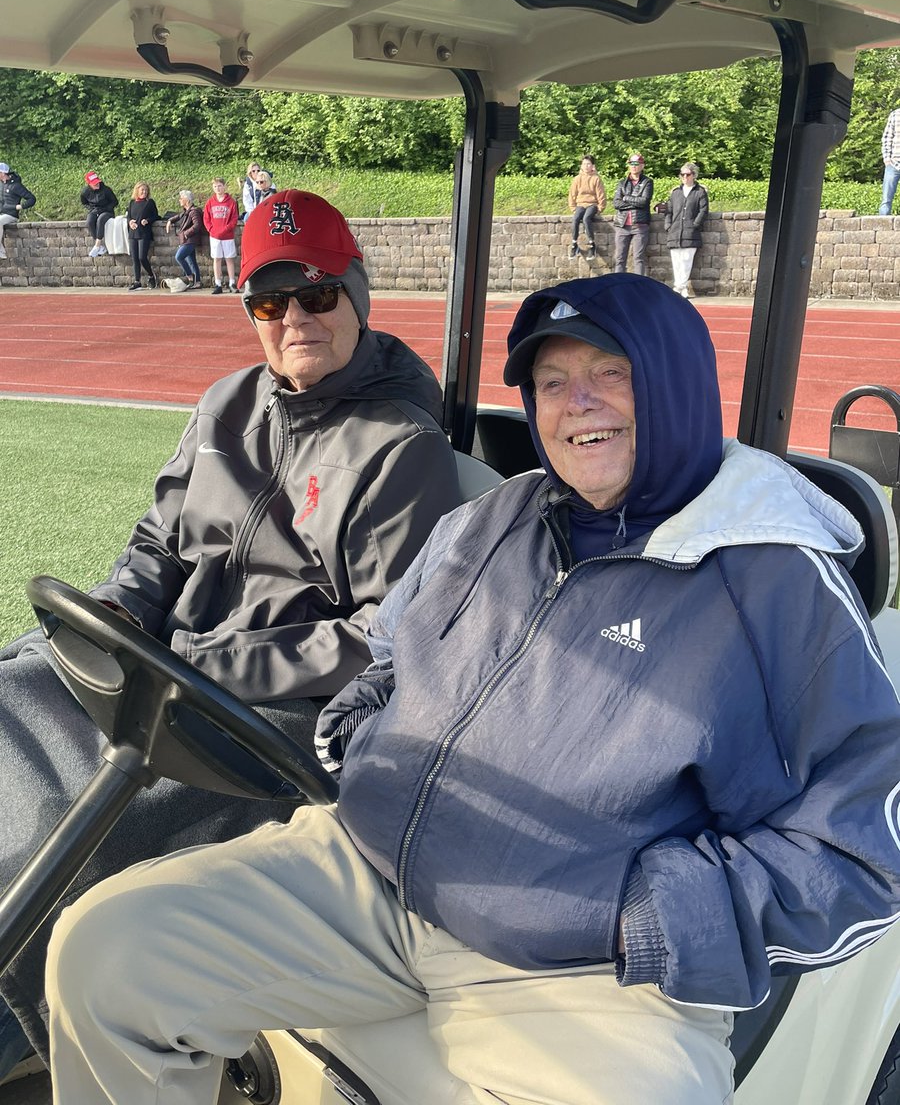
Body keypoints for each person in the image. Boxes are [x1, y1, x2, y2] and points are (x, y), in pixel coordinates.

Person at [45, 273, 900, 1105]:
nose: (578, 403)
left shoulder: (776, 582)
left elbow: (860, 847)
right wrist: (360, 737)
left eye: (611, 373)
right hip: (369, 877)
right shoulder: (497, 518)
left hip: (579, 968)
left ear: (674, 386)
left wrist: (641, 915)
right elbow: (386, 650)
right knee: (104, 956)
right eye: (554, 382)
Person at [0, 188, 461, 1078]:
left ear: (357, 295)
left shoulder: (402, 449)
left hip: (278, 719)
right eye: (269, 300)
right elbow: (155, 543)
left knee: (68, 836)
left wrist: (209, 661)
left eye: (318, 294)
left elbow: (380, 640)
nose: (295, 319)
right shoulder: (227, 404)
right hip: (165, 669)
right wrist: (124, 614)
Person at [664, 162, 709, 296]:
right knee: (676, 261)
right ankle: (680, 287)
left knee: (686, 261)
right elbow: (669, 210)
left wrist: (695, 224)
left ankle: (680, 286)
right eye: (682, 174)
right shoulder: (675, 192)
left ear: (693, 175)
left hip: (690, 231)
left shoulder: (700, 191)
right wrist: (668, 225)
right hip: (675, 231)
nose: (684, 177)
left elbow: (703, 210)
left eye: (687, 174)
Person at [612, 152, 653, 276]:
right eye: (632, 164)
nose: (634, 166)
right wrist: (634, 201)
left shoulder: (647, 182)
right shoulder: (622, 183)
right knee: (619, 258)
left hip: (639, 226)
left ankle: (638, 286)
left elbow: (644, 201)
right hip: (622, 225)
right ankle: (618, 285)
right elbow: (616, 203)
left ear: (642, 166)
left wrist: (626, 198)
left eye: (637, 164)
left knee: (638, 258)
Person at [203, 177, 239, 293]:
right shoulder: (210, 202)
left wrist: (226, 229)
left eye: (219, 186)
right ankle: (218, 284)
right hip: (214, 236)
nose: (217, 188)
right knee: (217, 259)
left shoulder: (231, 202)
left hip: (227, 236)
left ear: (224, 186)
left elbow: (234, 219)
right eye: (215, 186)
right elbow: (206, 218)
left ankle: (232, 283)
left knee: (229, 259)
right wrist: (211, 229)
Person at [567, 155, 606, 259]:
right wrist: (573, 207)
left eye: (588, 164)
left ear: (593, 166)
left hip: (592, 204)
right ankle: (574, 244)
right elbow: (572, 194)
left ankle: (592, 245)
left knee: (586, 218)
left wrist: (600, 208)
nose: (586, 166)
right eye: (584, 164)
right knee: (575, 218)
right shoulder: (577, 179)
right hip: (580, 204)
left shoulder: (596, 179)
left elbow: (601, 194)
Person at [165, 189, 205, 289]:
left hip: (190, 240)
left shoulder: (193, 211)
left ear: (187, 200)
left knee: (179, 257)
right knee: (191, 261)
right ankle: (198, 282)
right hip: (187, 240)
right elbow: (178, 216)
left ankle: (190, 277)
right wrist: (170, 221)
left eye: (181, 198)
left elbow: (197, 225)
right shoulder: (187, 211)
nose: (179, 200)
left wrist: (186, 234)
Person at [125, 181, 160, 290]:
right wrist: (130, 222)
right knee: (134, 258)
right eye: (142, 190)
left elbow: (156, 216)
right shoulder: (132, 203)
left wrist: (147, 220)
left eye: (146, 190)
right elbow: (128, 216)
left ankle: (151, 275)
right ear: (137, 191)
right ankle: (137, 281)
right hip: (133, 233)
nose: (144, 192)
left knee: (142, 257)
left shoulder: (149, 202)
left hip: (144, 232)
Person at [0, 163, 35, 260]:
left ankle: (1, 251)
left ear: (3, 173)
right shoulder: (1, 185)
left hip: (11, 215)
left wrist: (19, 207)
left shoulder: (15, 185)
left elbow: (31, 199)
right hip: (2, 213)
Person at [80, 172, 119, 258]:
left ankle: (97, 245)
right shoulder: (85, 192)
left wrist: (106, 208)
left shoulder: (106, 190)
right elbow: (84, 203)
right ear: (89, 184)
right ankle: (100, 247)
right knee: (89, 221)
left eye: (97, 182)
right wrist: (92, 209)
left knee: (101, 219)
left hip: (107, 211)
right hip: (94, 210)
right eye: (94, 184)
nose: (97, 184)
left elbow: (115, 202)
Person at [879, 106, 900, 215]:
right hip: (894, 163)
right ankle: (881, 228)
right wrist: (887, 159)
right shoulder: (895, 114)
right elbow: (887, 137)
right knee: (886, 200)